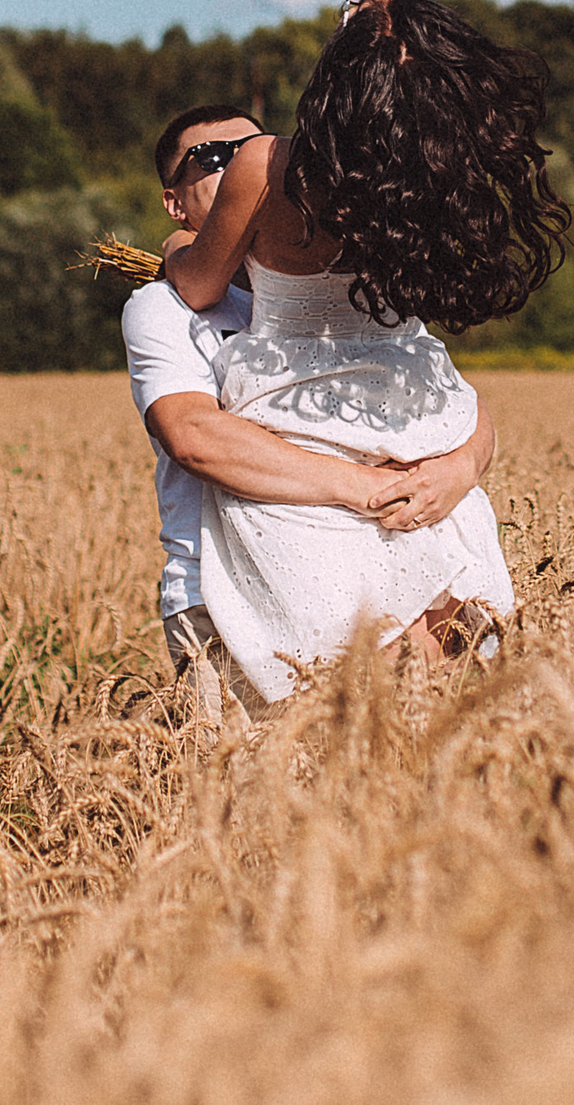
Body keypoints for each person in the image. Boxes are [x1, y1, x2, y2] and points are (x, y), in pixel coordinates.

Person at [161, 0, 570, 703]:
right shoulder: (429, 186)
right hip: (420, 430)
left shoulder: (264, 168)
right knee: (453, 684)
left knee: (359, 692)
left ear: (345, 72)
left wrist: (175, 246)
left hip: (300, 427)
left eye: (354, 7)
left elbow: (198, 286)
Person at [124, 101, 496, 724]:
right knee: (251, 781)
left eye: (253, 153)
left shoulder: (334, 285)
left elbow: (449, 399)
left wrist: (457, 470)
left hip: (372, 580)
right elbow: (194, 436)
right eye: (214, 158)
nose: (240, 167)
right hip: (224, 593)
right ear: (174, 202)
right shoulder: (163, 308)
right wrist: (372, 489)